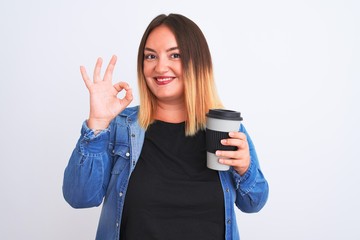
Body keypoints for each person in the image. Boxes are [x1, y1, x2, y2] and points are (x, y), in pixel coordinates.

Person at [63, 13, 269, 240]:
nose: (160, 67)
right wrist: (98, 124)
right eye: (150, 56)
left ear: (198, 62)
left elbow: (253, 203)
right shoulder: (120, 127)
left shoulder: (225, 128)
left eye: (175, 55)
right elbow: (80, 197)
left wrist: (244, 169)